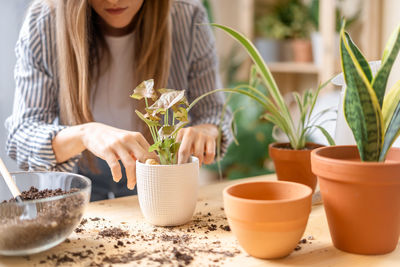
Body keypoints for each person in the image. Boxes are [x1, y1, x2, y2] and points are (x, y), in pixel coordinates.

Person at [5, 0, 232, 201]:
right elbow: (21, 138)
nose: (113, 1)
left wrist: (207, 132)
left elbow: (214, 113)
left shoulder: (187, 16)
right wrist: (86, 134)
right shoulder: (45, 21)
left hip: (158, 183)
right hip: (73, 185)